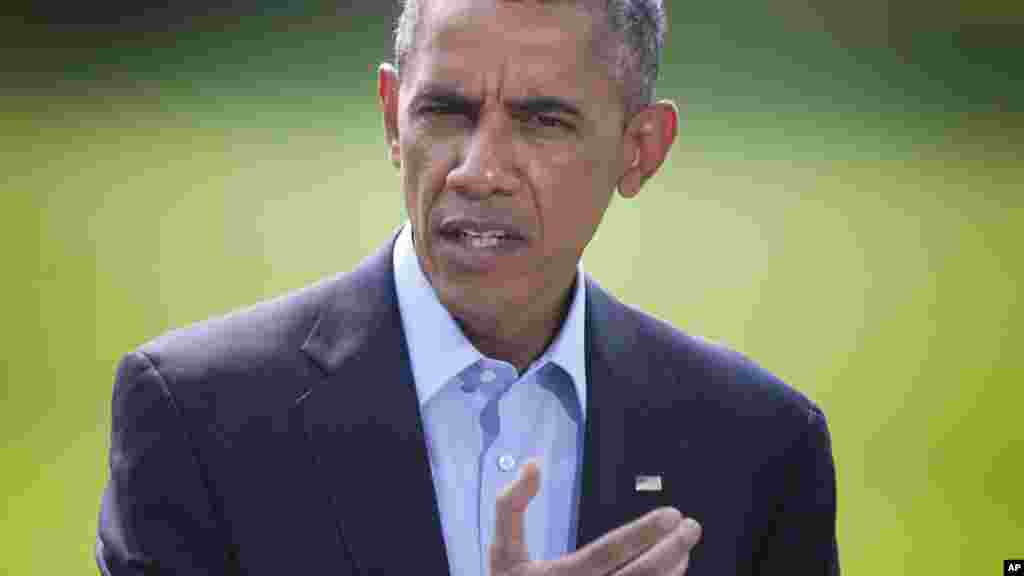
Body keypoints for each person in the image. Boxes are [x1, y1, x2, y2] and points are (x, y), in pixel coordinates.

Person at [95, 0, 839, 574]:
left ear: (640, 151)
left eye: (542, 121)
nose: (479, 170)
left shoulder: (761, 449)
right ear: (393, 119)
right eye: (445, 111)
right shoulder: (195, 418)